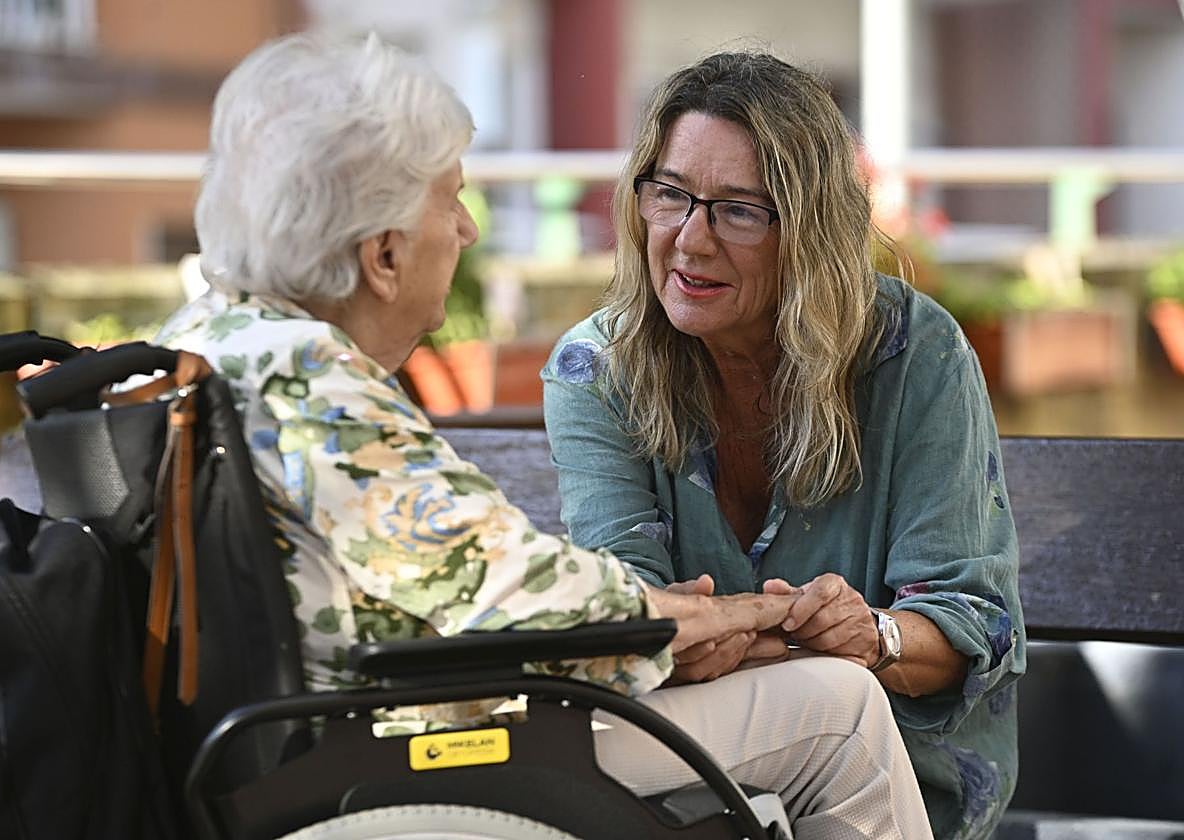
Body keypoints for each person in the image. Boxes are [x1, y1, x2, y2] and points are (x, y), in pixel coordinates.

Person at [157, 32, 933, 839]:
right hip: (403, 750)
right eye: (449, 200)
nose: (463, 229)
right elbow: (519, 600)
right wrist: (734, 618)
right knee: (841, 713)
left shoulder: (203, 344)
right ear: (384, 255)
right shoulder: (312, 384)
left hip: (331, 737)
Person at [541, 51, 1024, 840]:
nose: (690, 241)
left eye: (738, 210)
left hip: (902, 775)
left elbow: (969, 626)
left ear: (809, 229)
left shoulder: (914, 356)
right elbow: (636, 628)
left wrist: (876, 636)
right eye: (670, 195)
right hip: (693, 776)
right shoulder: (596, 370)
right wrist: (798, 636)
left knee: (847, 704)